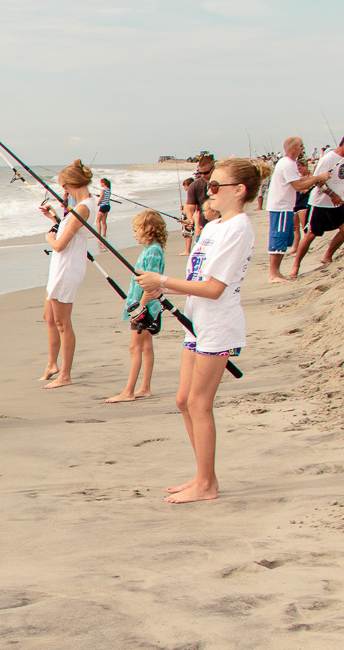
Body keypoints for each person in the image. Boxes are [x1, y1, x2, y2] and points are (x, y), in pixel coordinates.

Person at [135, 158, 258, 504]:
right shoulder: (214, 226)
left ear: (239, 190)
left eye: (216, 186)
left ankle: (206, 484)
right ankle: (203, 475)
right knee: (183, 400)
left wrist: (163, 280)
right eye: (208, 184)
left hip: (218, 326)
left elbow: (215, 288)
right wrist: (162, 289)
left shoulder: (239, 228)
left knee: (199, 403)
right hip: (197, 323)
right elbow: (196, 280)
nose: (208, 191)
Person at [37, 159, 95, 389]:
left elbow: (60, 245)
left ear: (72, 184)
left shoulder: (83, 207)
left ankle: (65, 375)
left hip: (67, 268)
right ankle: (52, 364)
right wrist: (53, 219)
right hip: (60, 267)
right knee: (49, 317)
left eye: (64, 186)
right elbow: (69, 230)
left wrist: (48, 237)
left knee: (63, 323)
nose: (64, 191)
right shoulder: (79, 206)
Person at [106, 211, 166, 403]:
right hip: (146, 306)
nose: (133, 234)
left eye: (136, 230)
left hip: (145, 308)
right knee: (146, 346)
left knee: (135, 347)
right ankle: (145, 388)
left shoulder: (153, 251)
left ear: (148, 230)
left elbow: (151, 282)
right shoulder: (151, 249)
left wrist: (141, 308)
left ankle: (129, 391)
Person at [289, 131, 344, 277]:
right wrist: (332, 195)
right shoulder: (329, 158)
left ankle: (327, 255)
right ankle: (295, 266)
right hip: (320, 203)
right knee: (311, 234)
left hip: (338, 202)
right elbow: (317, 180)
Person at [267, 137, 331, 281]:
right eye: (301, 146)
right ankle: (273, 274)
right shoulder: (287, 164)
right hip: (280, 207)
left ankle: (277, 273)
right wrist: (318, 178)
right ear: (293, 148)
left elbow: (299, 180)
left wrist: (316, 178)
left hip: (285, 206)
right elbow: (298, 186)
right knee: (278, 239)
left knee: (283, 239)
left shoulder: (288, 163)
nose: (303, 148)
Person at [184, 154, 215, 244]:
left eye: (206, 173)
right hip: (202, 228)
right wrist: (190, 220)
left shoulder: (223, 183)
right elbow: (190, 209)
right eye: (201, 173)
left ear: (213, 168)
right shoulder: (194, 186)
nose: (203, 175)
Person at [179, 177, 195, 256]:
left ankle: (187, 250)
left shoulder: (191, 195)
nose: (184, 188)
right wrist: (182, 209)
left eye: (185, 186)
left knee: (187, 233)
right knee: (185, 233)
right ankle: (187, 249)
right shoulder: (189, 195)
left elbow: (190, 207)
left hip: (189, 216)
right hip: (186, 215)